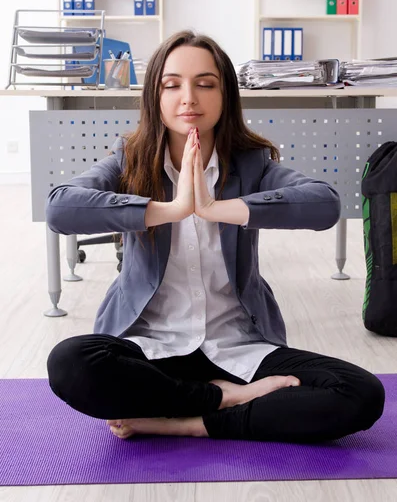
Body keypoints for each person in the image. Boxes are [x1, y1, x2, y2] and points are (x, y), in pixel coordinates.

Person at [46, 30, 385, 443]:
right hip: (150, 349)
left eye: (205, 84)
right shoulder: (128, 159)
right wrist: (172, 209)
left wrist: (213, 207)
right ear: (155, 96)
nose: (189, 97)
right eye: (172, 85)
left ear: (226, 96)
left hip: (238, 348)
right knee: (70, 361)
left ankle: (192, 420)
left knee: (361, 393)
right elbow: (61, 208)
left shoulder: (252, 163)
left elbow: (324, 204)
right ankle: (222, 400)